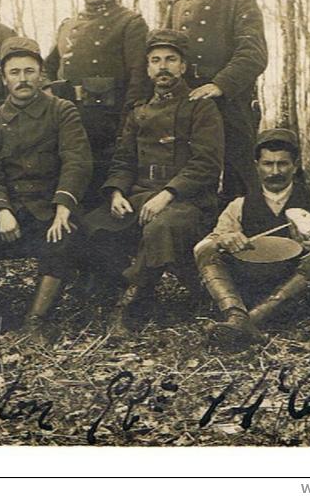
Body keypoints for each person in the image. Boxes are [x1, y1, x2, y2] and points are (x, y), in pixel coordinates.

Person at [83, 29, 224, 336]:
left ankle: (133, 303)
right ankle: (112, 288)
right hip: (141, 195)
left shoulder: (201, 107)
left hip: (189, 201)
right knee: (92, 224)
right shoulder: (139, 112)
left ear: (183, 66)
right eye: (156, 60)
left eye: (171, 60)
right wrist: (118, 191)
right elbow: (124, 160)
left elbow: (207, 163)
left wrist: (169, 194)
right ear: (147, 68)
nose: (163, 67)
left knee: (161, 227)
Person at [0, 37, 92, 342]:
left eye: (29, 71)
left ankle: (36, 320)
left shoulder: (63, 111)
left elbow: (77, 160)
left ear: (41, 75)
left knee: (63, 236)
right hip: (14, 210)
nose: (22, 79)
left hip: (51, 206)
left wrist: (63, 207)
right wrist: (2, 211)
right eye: (15, 72)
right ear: (4, 78)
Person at [193, 128, 310, 352]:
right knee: (209, 251)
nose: (275, 171)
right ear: (257, 166)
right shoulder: (240, 204)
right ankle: (237, 315)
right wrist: (224, 239)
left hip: (300, 297)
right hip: (253, 291)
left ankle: (244, 324)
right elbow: (202, 248)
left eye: (282, 164)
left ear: (295, 165)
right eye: (268, 164)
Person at [160, 0, 268, 206]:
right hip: (188, 105)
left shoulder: (240, 0)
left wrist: (219, 85)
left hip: (231, 104)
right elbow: (163, 55)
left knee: (238, 179)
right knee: (188, 173)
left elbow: (253, 52)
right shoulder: (177, 6)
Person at [45, 0, 149, 206]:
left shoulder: (129, 22)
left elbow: (139, 79)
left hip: (110, 128)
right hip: (69, 126)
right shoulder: (67, 26)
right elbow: (46, 69)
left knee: (103, 200)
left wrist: (128, 125)